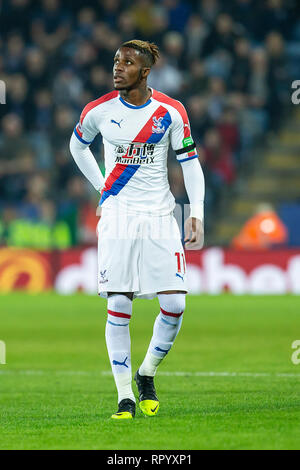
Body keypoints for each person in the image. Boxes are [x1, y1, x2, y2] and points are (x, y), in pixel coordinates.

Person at [69, 39, 205, 419]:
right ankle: (124, 396)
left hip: (161, 216)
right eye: (115, 60)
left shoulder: (171, 112)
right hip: (118, 217)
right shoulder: (98, 111)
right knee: (119, 303)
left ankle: (147, 373)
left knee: (175, 304)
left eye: (127, 63)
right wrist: (102, 188)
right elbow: (77, 147)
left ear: (144, 72)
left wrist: (197, 212)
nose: (117, 67)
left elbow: (190, 164)